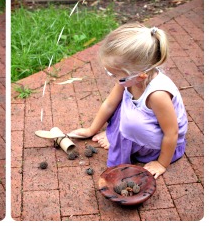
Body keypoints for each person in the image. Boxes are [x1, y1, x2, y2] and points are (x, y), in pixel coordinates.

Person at [69, 24, 188, 179]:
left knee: (132, 121)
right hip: (145, 122)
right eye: (109, 72)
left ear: (141, 76)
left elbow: (171, 133)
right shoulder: (130, 79)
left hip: (162, 145)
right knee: (121, 105)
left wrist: (161, 163)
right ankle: (119, 134)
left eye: (115, 75)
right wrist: (91, 130)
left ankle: (127, 138)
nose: (112, 78)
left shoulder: (158, 95)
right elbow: (109, 104)